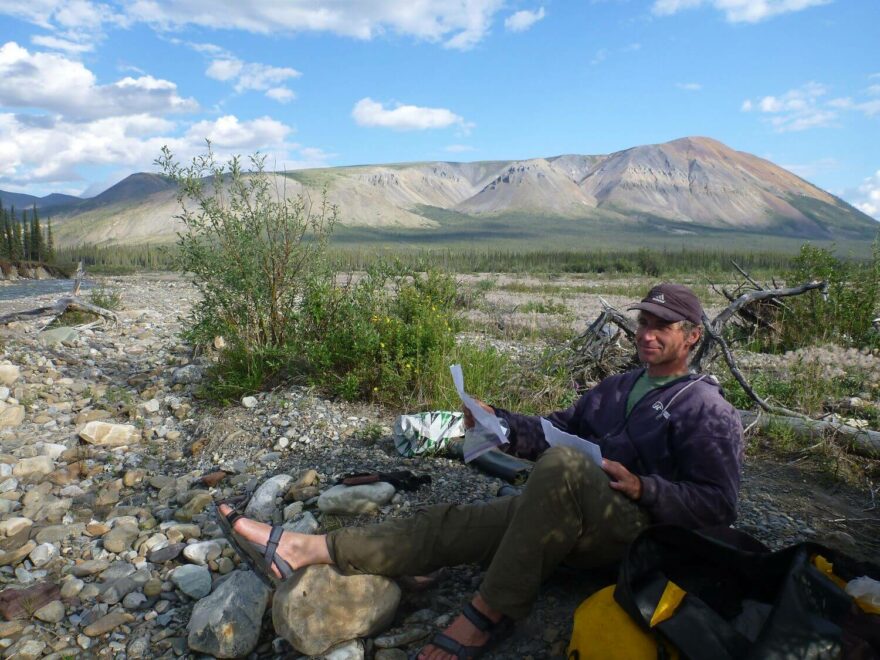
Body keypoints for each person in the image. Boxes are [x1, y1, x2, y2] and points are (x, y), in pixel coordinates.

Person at [219, 283, 743, 660]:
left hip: (635, 536)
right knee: (455, 523)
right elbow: (556, 429)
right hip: (567, 517)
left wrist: (644, 486)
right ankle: (309, 550)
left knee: (558, 467)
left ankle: (490, 610)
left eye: (663, 326)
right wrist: (499, 424)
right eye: (644, 323)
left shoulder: (706, 410)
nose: (647, 334)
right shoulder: (616, 387)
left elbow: (719, 505)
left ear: (693, 336)